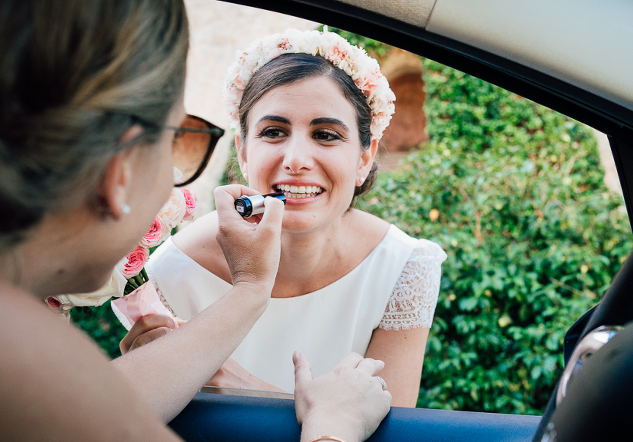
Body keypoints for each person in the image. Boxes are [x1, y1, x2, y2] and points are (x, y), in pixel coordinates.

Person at [0, 1, 391, 442]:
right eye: (179, 140)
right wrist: (332, 425)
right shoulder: (21, 359)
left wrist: (250, 290)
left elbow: (115, 400)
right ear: (120, 171)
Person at [136, 29, 447, 406]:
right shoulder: (174, 269)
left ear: (365, 157)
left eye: (327, 135)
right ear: (244, 150)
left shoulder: (404, 268)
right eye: (273, 131)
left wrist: (252, 393)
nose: (296, 159)